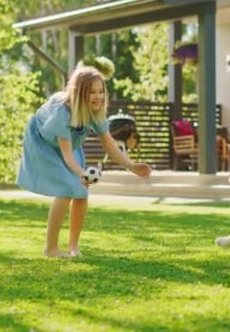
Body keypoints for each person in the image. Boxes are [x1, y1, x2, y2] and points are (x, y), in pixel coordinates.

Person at [16, 66, 151, 258]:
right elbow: (68, 156)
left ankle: (73, 247)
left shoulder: (96, 113)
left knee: (80, 192)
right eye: (92, 92)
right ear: (80, 93)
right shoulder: (62, 114)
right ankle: (51, 249)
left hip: (69, 143)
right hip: (43, 142)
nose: (98, 96)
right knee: (67, 188)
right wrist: (81, 174)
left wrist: (132, 166)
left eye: (101, 91)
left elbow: (110, 145)